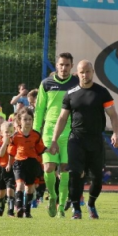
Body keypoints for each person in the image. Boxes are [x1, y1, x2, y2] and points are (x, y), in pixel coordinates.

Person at [48, 60, 118, 220]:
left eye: (87, 71)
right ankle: (76, 209)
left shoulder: (102, 92)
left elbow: (113, 115)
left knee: (97, 177)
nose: (85, 75)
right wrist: (54, 140)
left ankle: (91, 204)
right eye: (82, 72)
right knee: (75, 174)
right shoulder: (71, 93)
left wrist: (115, 133)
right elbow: (62, 118)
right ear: (77, 73)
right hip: (76, 139)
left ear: (92, 72)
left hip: (95, 140)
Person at [34, 52, 79, 218]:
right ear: (57, 65)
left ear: (71, 66)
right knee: (48, 167)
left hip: (69, 131)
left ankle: (61, 208)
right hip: (49, 130)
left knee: (65, 169)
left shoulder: (76, 83)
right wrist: (35, 132)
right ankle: (52, 196)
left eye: (67, 65)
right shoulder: (46, 83)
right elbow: (39, 109)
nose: (64, 68)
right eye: (61, 64)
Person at [0, 108, 47, 218]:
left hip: (32, 163)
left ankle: (27, 211)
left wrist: (50, 149)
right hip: (19, 163)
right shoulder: (15, 136)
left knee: (29, 188)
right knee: (20, 184)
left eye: (30, 119)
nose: (28, 121)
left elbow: (40, 149)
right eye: (25, 119)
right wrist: (9, 164)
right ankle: (19, 207)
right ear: (20, 121)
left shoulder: (36, 135)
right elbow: (11, 152)